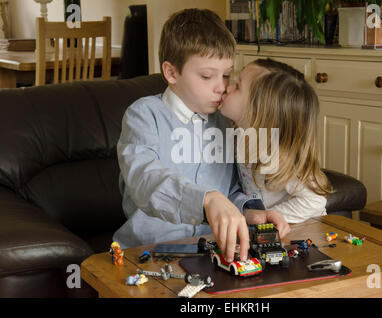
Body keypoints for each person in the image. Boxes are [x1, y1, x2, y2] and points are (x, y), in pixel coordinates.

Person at [112, 9, 288, 263]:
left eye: (226, 74)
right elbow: (144, 179)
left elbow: (230, 191)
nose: (222, 86)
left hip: (211, 253)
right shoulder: (143, 115)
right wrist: (206, 199)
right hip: (147, 252)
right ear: (172, 73)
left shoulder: (224, 121)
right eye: (207, 76)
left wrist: (252, 214)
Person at [220, 58, 333, 224]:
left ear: (258, 110)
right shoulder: (238, 136)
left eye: (238, 87)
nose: (227, 87)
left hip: (300, 229)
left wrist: (266, 217)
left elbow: (315, 201)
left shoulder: (279, 155)